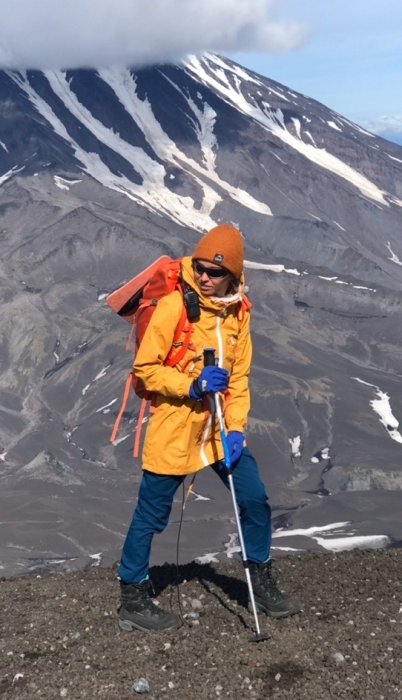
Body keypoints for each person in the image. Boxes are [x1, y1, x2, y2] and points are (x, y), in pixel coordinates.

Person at [117, 224, 300, 631]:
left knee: (254, 500)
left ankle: (259, 580)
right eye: (199, 268)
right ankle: (132, 594)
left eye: (214, 272)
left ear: (233, 275)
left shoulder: (238, 313)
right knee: (151, 515)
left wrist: (235, 428)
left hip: (218, 429)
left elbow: (239, 378)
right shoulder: (174, 307)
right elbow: (145, 371)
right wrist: (191, 384)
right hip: (176, 426)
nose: (204, 277)